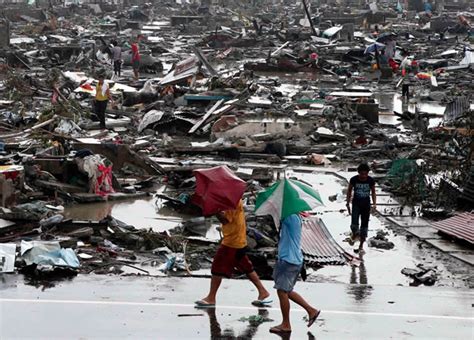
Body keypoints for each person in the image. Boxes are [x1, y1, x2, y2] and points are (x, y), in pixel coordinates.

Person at [195, 199, 270, 307]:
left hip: (232, 242)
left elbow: (226, 220)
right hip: (238, 239)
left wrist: (215, 211)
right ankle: (263, 291)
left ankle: (211, 297)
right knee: (246, 266)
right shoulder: (233, 200)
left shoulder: (231, 202)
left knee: (217, 268)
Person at [270, 214, 320, 334]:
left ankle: (286, 324)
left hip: (289, 260)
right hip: (291, 258)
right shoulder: (295, 216)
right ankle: (311, 310)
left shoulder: (290, 217)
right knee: (287, 290)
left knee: (282, 291)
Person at [346, 163, 377, 254]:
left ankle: (361, 246)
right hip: (356, 204)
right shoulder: (354, 179)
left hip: (366, 205)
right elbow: (349, 191)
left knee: (364, 227)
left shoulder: (370, 180)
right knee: (354, 225)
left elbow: (373, 192)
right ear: (358, 173)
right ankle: (354, 235)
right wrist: (347, 203)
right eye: (362, 174)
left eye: (365, 174)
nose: (363, 176)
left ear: (368, 173)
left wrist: (374, 204)